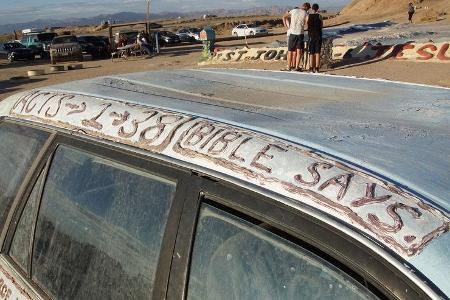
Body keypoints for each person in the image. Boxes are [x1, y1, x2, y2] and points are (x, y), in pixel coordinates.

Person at [282, 3, 309, 71]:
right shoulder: (305, 13)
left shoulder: (293, 10)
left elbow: (284, 17)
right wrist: (303, 26)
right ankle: (296, 67)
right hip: (300, 33)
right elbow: (307, 24)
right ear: (307, 8)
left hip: (292, 33)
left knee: (290, 51)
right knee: (299, 50)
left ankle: (288, 67)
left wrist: (286, 27)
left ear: (302, 6)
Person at [306, 3, 323, 73]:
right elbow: (321, 25)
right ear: (317, 9)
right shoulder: (320, 16)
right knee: (317, 52)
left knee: (311, 52)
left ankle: (310, 67)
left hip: (311, 36)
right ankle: (317, 68)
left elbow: (306, 26)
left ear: (312, 9)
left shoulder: (308, 16)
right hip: (318, 35)